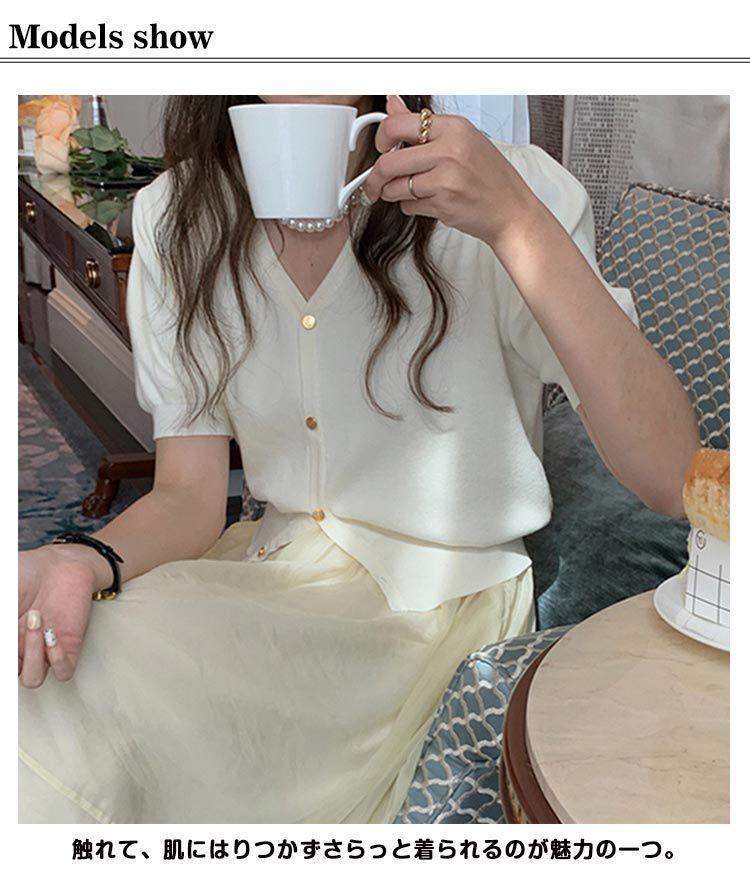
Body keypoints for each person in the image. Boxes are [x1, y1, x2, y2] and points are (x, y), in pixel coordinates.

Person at [18, 94, 699, 823]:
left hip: (438, 613)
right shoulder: (179, 214)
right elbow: (189, 495)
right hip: (267, 576)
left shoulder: (506, 189)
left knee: (76, 708)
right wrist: (81, 558)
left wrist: (516, 223)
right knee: (54, 678)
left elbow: (671, 474)